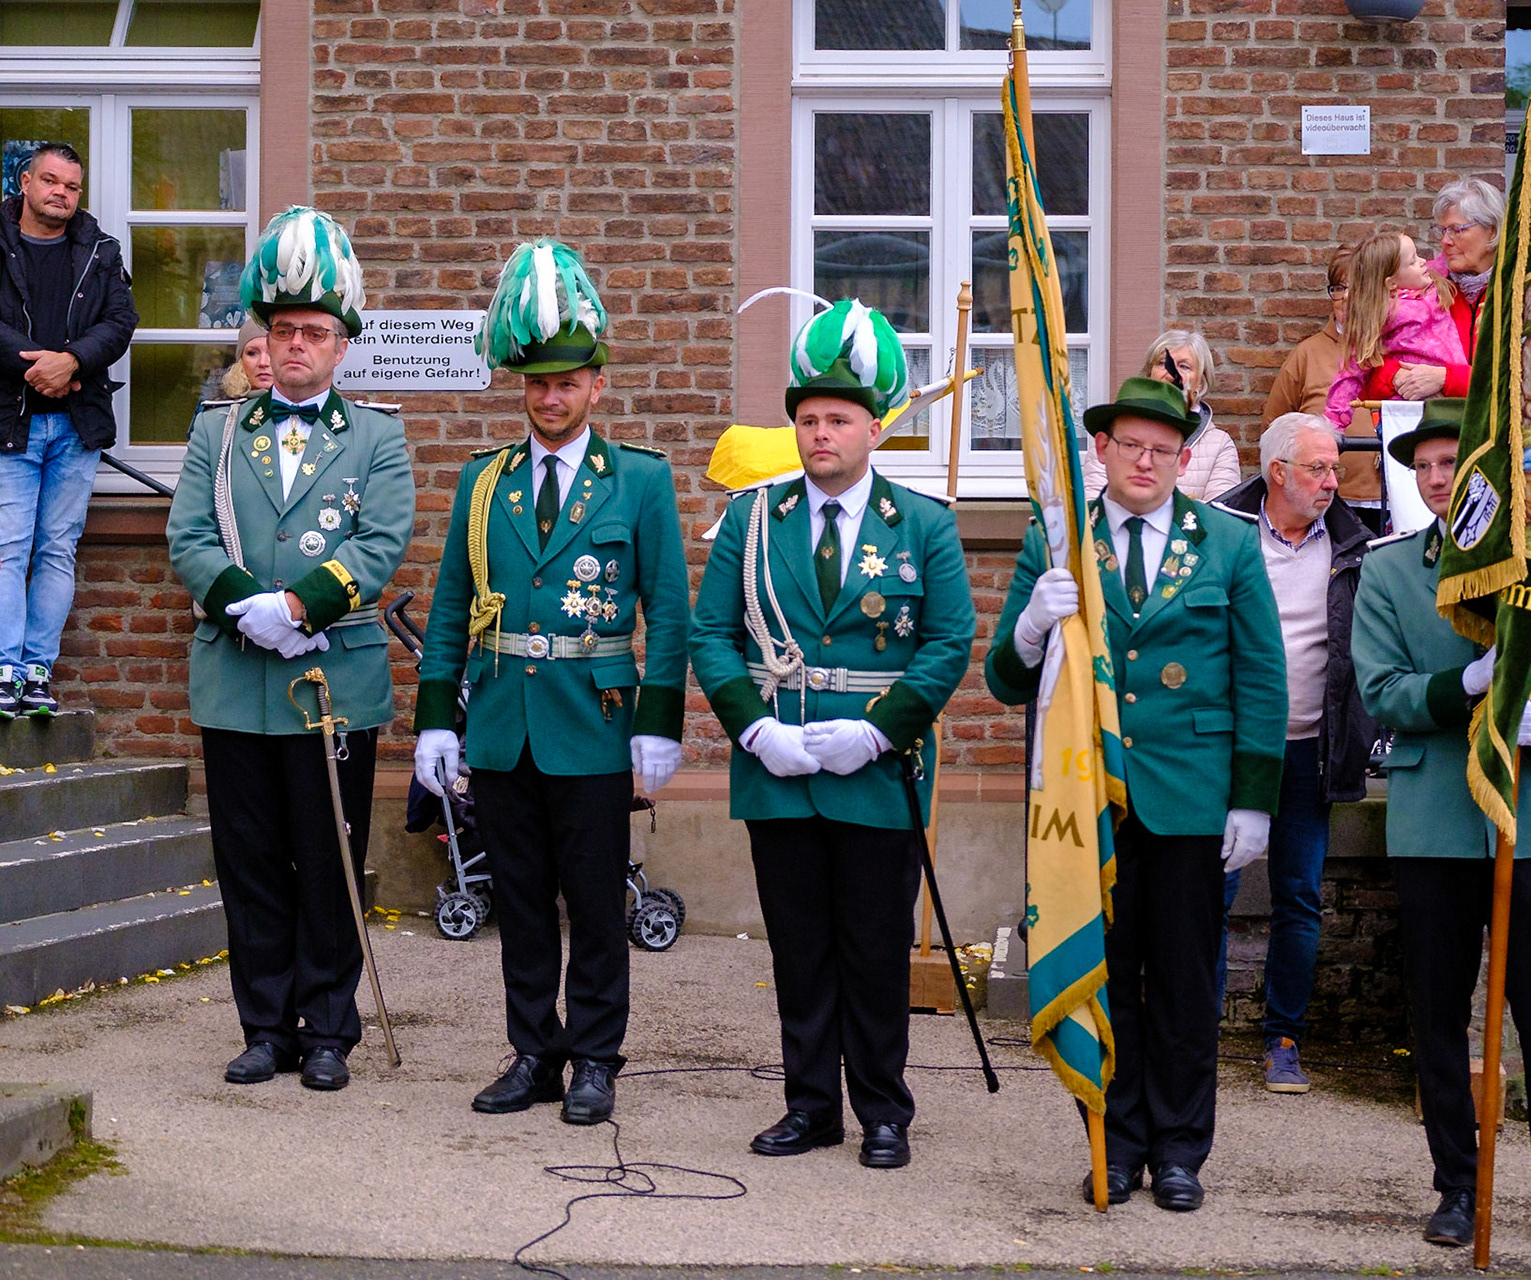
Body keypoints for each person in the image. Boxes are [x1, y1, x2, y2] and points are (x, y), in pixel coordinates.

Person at [987, 376, 1287, 1212]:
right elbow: (1005, 681)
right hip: (1089, 806)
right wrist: (1030, 625)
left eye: (1163, 449)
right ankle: (1114, 1144)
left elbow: (1263, 676)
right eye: (1131, 446)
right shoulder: (1060, 543)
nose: (1146, 461)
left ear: (1185, 458)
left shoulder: (1225, 543)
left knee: (1186, 983)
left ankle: (1182, 1149)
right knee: (1106, 975)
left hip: (1191, 798)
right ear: (1102, 450)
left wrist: (1253, 798)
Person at [689, 299, 974, 1171]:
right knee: (800, 950)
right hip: (779, 765)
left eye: (838, 420)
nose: (821, 435)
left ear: (874, 428)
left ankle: (884, 1110)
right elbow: (711, 635)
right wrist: (754, 730)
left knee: (876, 950)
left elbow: (949, 641)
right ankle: (811, 1106)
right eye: (808, 420)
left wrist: (880, 734)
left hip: (873, 771)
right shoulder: (751, 521)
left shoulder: (921, 523)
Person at [412, 240, 690, 1126]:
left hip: (594, 719)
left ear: (597, 386)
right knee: (521, 903)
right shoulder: (481, 481)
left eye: (568, 383)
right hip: (500, 720)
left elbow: (671, 612)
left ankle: (597, 1057)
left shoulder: (638, 479)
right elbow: (453, 604)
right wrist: (434, 720)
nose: (550, 397)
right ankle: (533, 1051)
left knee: (598, 904)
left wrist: (659, 721)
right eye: (536, 384)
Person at [1351, 398, 1531, 1259]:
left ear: (1486, 473)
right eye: (1421, 467)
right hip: (1434, 823)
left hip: (1530, 819)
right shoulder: (1390, 573)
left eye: (1449, 464)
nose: (1434, 479)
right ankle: (1457, 1186)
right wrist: (1461, 686)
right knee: (1436, 1013)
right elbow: (1381, 691)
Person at [165, 206, 415, 1092]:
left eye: (314, 331)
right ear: (265, 337)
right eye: (284, 330)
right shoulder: (217, 430)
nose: (298, 344)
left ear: (343, 344)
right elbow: (189, 539)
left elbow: (381, 545)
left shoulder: (379, 435)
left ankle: (328, 1031)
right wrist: (247, 609)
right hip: (237, 680)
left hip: (330, 680)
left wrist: (300, 608)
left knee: (331, 856)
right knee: (251, 861)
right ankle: (264, 1027)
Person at [1211, 412, 1378, 1093]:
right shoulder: (1221, 532)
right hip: (1228, 750)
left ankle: (1284, 1038)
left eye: (1335, 468)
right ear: (1278, 471)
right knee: (1208, 895)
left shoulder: (1353, 545)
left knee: (1300, 897)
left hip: (1311, 747)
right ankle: (1194, 1028)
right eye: (1319, 468)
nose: (1332, 482)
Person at [0, 141, 137, 720]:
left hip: (76, 426)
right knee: (7, 550)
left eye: (72, 186)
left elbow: (121, 320)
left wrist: (73, 361)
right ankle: (3, 669)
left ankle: (37, 670)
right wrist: (37, 366)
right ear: (25, 183)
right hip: (12, 421)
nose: (61, 193)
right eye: (51, 181)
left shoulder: (100, 250)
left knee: (56, 551)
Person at [1264, 250, 1382, 533]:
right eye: (1339, 288)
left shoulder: (1397, 348)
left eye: (1357, 287)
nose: (1345, 297)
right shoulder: (1307, 353)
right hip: (1321, 503)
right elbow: (1274, 428)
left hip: (1386, 503)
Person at [1359, 176, 1503, 404]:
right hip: (1427, 428)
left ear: (1492, 232)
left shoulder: (1520, 292)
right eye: (1442, 230)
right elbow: (1363, 365)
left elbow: (1530, 380)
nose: (1445, 241)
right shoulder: (1421, 288)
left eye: (1457, 230)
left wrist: (1447, 379)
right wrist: (1396, 376)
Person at [1325, 231, 1465, 430]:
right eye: (1412, 261)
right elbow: (1351, 369)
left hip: (1450, 400)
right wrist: (1333, 422)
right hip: (1408, 410)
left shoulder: (1430, 283)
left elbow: (1451, 257)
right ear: (1391, 282)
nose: (1424, 261)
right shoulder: (1382, 312)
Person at [1083, 330, 1240, 501]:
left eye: (1184, 367)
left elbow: (1221, 512)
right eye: (1163, 363)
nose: (1171, 373)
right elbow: (1093, 501)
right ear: (1150, 372)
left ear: (1201, 381)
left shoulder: (1219, 445)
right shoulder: (1113, 431)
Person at [219, 316, 273, 399]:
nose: (263, 363)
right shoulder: (221, 411)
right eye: (252, 353)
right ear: (240, 361)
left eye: (272, 353)